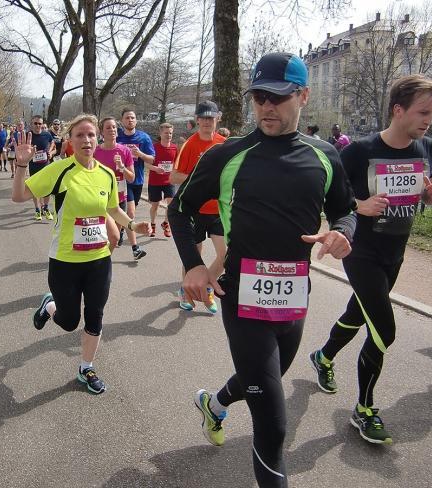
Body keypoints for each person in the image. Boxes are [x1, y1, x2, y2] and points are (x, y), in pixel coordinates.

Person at [168, 52, 356, 487]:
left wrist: (343, 233)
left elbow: (346, 211)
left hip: (294, 300)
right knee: (273, 425)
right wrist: (194, 265)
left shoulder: (325, 156)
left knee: (267, 375)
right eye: (259, 98)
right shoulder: (228, 155)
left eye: (278, 97)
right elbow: (181, 210)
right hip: (241, 298)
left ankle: (214, 404)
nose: (267, 107)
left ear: (303, 96)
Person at [310, 74, 432, 445]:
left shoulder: (427, 148)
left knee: (360, 312)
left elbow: (426, 188)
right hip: (361, 252)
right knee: (384, 330)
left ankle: (323, 357)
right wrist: (359, 205)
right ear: (397, 110)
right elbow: (332, 200)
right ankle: (364, 409)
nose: (428, 120)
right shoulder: (358, 152)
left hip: (396, 252)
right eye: (422, 112)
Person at [11, 114, 151, 394]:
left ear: (97, 139)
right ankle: (49, 306)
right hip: (65, 262)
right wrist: (21, 165)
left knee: (95, 315)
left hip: (99, 260)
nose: (86, 140)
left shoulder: (106, 174)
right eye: (80, 135)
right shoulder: (60, 171)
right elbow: (19, 196)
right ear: (70, 141)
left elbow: (112, 209)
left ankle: (86, 367)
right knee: (68, 322)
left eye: (90, 135)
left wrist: (133, 224)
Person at [169, 100, 227, 313]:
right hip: (194, 211)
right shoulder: (190, 145)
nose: (206, 122)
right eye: (203, 118)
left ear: (217, 118)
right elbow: (173, 176)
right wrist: (203, 182)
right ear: (197, 119)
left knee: (226, 255)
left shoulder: (224, 144)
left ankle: (207, 287)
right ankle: (186, 290)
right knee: (194, 255)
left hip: (219, 211)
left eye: (211, 118)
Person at [117, 109, 155, 260]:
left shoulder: (143, 138)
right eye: (127, 118)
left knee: (126, 213)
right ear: (122, 120)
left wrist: (140, 154)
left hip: (137, 180)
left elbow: (151, 159)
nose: (130, 120)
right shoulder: (117, 137)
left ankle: (119, 230)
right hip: (121, 180)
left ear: (136, 121)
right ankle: (135, 248)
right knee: (130, 213)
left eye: (132, 118)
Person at [94, 116, 135, 251]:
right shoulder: (95, 152)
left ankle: (105, 264)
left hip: (119, 198)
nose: (112, 130)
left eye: (114, 127)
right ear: (102, 132)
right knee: (102, 236)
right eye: (108, 127)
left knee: (114, 238)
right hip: (100, 199)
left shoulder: (124, 151)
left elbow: (131, 178)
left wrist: (122, 167)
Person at [147, 123, 177, 238]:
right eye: (166, 133)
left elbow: (175, 164)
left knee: (171, 204)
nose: (168, 135)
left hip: (169, 180)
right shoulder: (153, 147)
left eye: (170, 133)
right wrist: (155, 168)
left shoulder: (174, 148)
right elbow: (146, 164)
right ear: (160, 133)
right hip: (155, 181)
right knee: (155, 205)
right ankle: (153, 224)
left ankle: (166, 223)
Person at [28, 115, 57, 220]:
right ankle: (37, 209)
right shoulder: (28, 135)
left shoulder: (46, 134)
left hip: (45, 165)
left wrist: (50, 152)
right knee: (35, 189)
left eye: (40, 123)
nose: (38, 125)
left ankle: (45, 208)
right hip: (33, 166)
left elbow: (52, 142)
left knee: (47, 188)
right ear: (31, 124)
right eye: (35, 123)